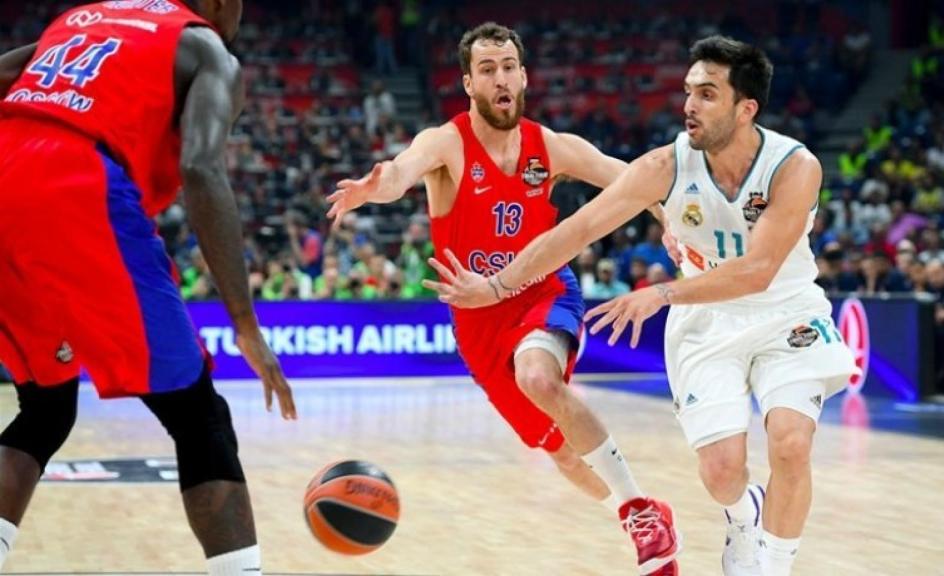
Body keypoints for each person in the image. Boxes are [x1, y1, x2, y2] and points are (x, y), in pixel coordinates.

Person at [425, 36, 858, 576]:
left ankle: (772, 564)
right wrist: (496, 287)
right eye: (688, 91)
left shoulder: (794, 166)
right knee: (722, 473)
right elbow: (576, 230)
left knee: (791, 443)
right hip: (708, 320)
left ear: (746, 109)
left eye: (706, 94)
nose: (688, 106)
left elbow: (759, 270)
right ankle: (743, 513)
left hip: (785, 311)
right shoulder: (665, 165)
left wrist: (661, 292)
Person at [326, 22, 680, 575]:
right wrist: (377, 187)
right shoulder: (447, 142)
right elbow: (401, 171)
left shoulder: (551, 147)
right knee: (560, 452)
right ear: (468, 83)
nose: (501, 78)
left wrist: (670, 215)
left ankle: (639, 514)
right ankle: (639, 513)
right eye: (487, 69)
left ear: (524, 76)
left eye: (509, 66)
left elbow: (629, 179)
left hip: (544, 291)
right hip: (477, 321)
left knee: (539, 378)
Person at [0, 1, 296, 574]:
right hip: (76, 184)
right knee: (199, 417)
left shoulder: (84, 16)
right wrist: (246, 326)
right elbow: (202, 170)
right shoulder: (208, 48)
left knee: (44, 411)